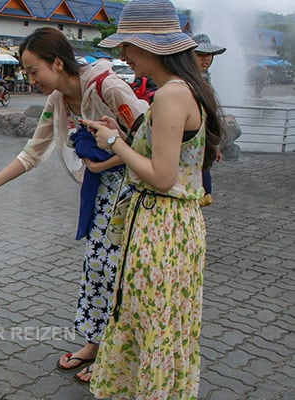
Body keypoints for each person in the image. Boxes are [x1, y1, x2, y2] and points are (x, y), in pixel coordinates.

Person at [0, 26, 148, 384]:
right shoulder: (59, 100)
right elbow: (33, 152)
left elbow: (152, 143)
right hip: (98, 194)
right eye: (26, 73)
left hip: (131, 193)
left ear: (58, 63)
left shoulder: (109, 87)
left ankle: (115, 356)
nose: (31, 80)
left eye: (34, 71)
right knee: (96, 269)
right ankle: (95, 343)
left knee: (118, 274)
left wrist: (103, 162)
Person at [83, 0, 224, 398]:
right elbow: (171, 161)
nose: (123, 54)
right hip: (176, 227)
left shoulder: (170, 96)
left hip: (161, 228)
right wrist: (127, 138)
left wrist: (113, 143)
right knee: (164, 326)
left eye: (128, 45)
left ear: (152, 46)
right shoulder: (186, 89)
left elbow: (162, 177)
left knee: (149, 323)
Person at [193, 33, 226, 207]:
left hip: (204, 144)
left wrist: (215, 144)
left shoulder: (205, 79)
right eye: (200, 55)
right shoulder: (190, 82)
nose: (206, 59)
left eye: (209, 55)